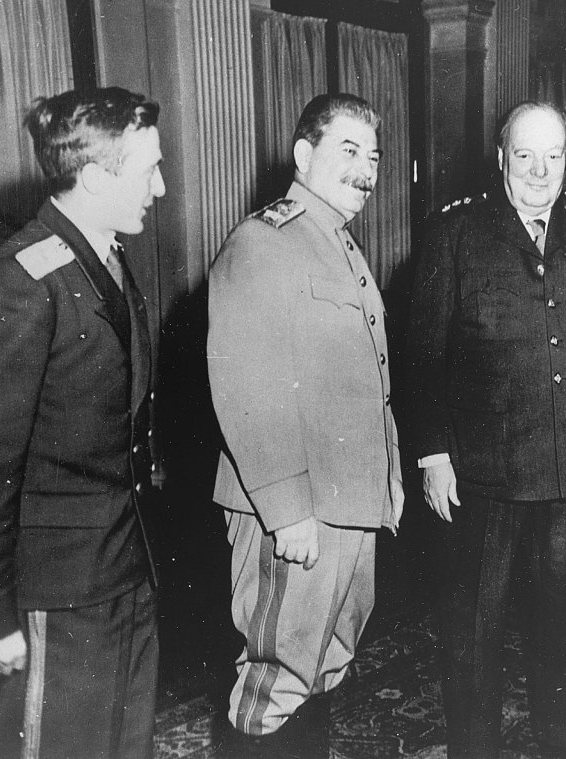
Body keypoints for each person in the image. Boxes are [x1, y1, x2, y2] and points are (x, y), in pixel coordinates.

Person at [403, 101, 566, 759]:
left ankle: (564, 745)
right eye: (524, 155)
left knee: (565, 631)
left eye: (553, 156)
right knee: (472, 634)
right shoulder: (455, 232)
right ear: (501, 158)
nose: (539, 171)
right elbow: (423, 354)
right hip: (481, 472)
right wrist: (433, 454)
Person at [0, 87, 165, 758]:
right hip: (55, 590)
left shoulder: (102, 256)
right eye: (149, 170)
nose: (161, 188)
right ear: (96, 177)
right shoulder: (19, 282)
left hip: (121, 569)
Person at [207, 93, 403, 758]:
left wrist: (388, 480)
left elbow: (369, 381)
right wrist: (287, 511)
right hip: (295, 510)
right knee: (276, 676)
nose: (366, 170)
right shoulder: (265, 242)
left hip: (346, 501)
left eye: (373, 156)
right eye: (348, 150)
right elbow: (248, 388)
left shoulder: (337, 243)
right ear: (303, 154)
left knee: (324, 664)